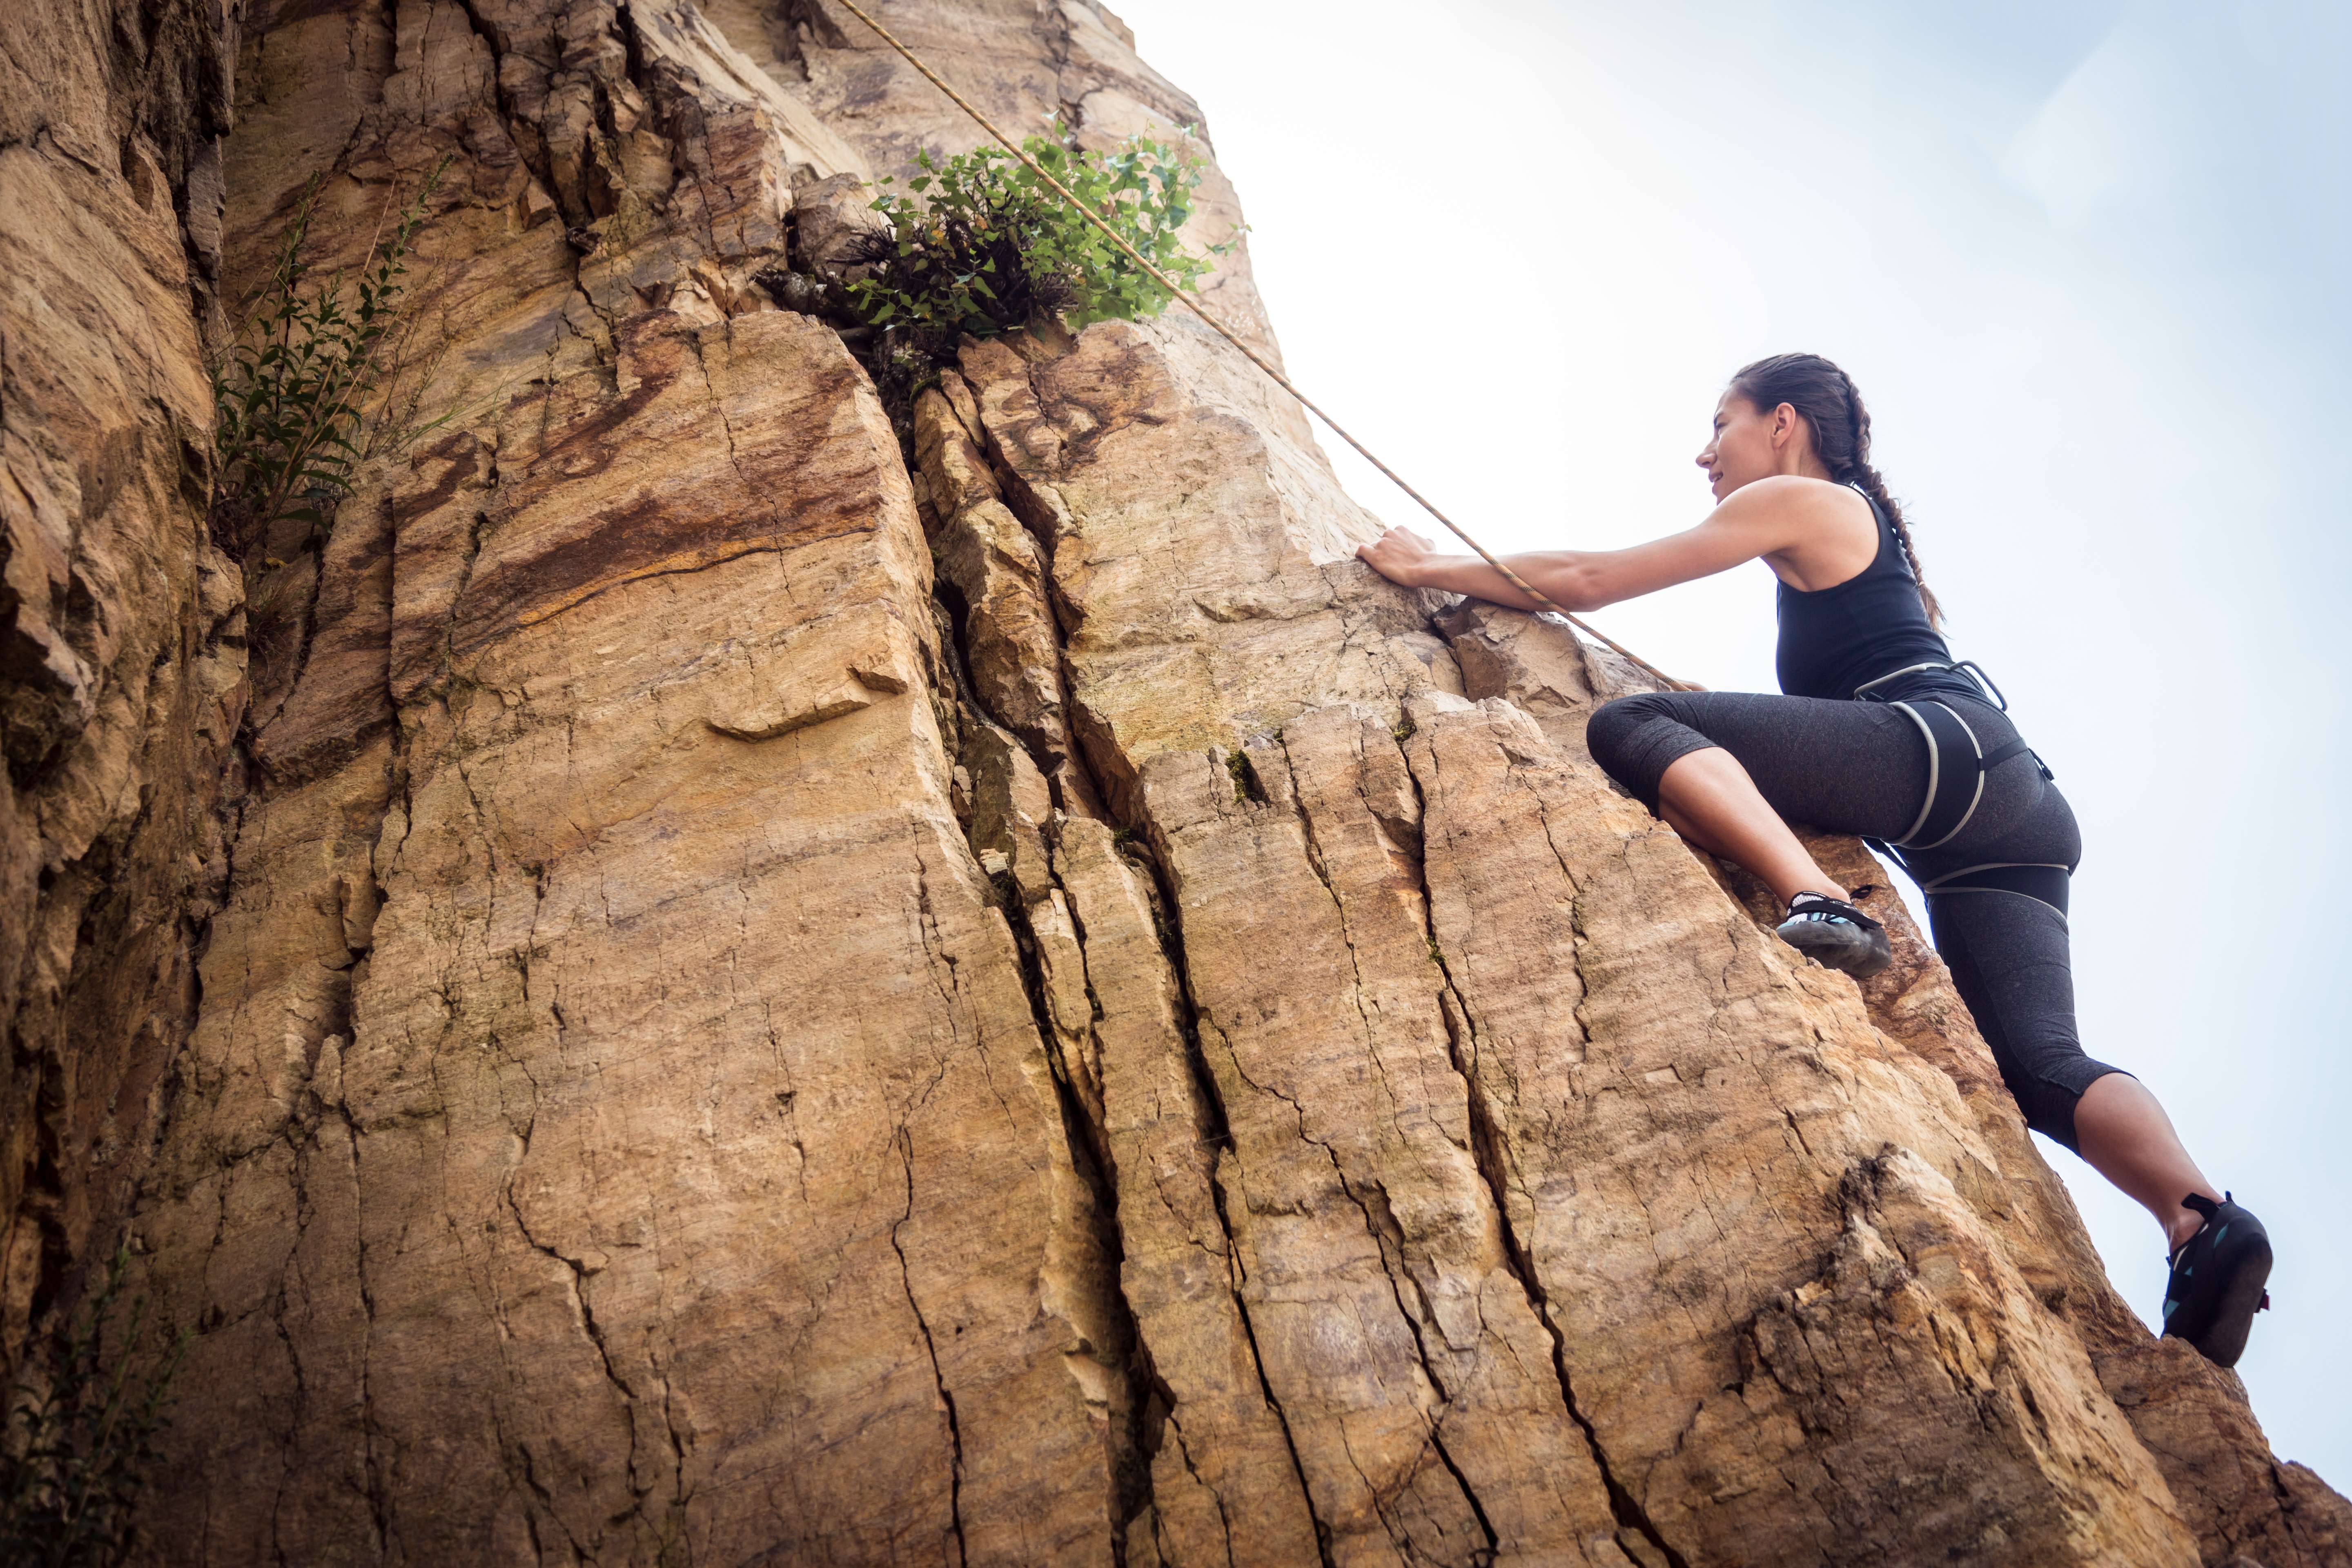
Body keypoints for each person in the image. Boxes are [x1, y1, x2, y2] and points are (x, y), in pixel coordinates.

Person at [1354, 352, 2271, 1369]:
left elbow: (1590, 583)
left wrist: (1427, 565)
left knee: (1636, 722)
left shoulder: (1806, 498)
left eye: (1723, 424)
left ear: (1783, 423)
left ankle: (1821, 900)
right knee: (2039, 1066)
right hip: (2007, 806)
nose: (1704, 453)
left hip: (1937, 754)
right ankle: (2203, 1221)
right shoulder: (1847, 534)